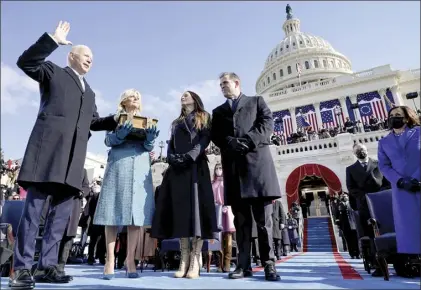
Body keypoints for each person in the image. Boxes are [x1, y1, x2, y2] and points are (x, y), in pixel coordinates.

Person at [9, 21, 118, 289]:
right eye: (85, 55)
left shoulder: (90, 92)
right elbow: (26, 62)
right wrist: (52, 40)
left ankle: (48, 267)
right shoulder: (52, 72)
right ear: (71, 56)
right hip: (47, 156)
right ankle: (21, 268)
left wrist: (116, 119)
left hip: (73, 163)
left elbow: (93, 122)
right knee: (33, 214)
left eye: (92, 57)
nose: (90, 59)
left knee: (59, 221)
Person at [211, 72, 281, 281]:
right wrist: (229, 142)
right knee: (241, 224)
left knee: (263, 223)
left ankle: (269, 264)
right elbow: (215, 135)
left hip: (258, 169)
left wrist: (248, 140)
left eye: (225, 83)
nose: (223, 86)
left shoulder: (256, 101)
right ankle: (243, 265)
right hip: (234, 172)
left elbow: (266, 124)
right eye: (220, 84)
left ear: (236, 83)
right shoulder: (218, 111)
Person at [151, 91, 218, 279]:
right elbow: (170, 143)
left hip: (196, 168)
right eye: (181, 95)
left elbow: (205, 139)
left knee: (196, 212)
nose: (183, 96)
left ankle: (196, 258)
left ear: (195, 99)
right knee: (181, 213)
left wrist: (191, 156)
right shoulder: (175, 123)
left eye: (186, 94)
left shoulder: (204, 116)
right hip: (178, 170)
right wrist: (172, 158)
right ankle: (184, 258)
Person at [93, 89, 159, 279]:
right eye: (132, 96)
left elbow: (148, 147)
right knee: (112, 212)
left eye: (138, 96)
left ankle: (130, 260)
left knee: (135, 215)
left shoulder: (147, 120)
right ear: (123, 101)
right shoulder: (115, 119)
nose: (136, 98)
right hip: (119, 164)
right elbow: (107, 140)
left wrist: (150, 139)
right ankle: (109, 259)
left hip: (139, 166)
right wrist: (119, 136)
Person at [377, 106, 420, 273]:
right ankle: (414, 263)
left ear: (407, 117)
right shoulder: (384, 142)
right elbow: (384, 166)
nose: (394, 117)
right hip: (402, 190)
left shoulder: (418, 132)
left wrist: (416, 178)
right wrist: (400, 181)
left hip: (419, 183)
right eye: (392, 115)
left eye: (398, 115)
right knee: (411, 227)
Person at [345, 142, 390, 276]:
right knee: (371, 235)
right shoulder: (351, 169)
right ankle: (377, 264)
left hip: (381, 204)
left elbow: (387, 183)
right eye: (358, 151)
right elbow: (351, 187)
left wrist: (378, 195)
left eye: (363, 149)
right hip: (365, 205)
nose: (361, 152)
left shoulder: (378, 164)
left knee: (385, 230)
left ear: (367, 150)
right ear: (354, 154)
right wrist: (364, 197)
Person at [211, 162, 235, 272]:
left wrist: (227, 204)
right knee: (218, 238)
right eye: (217, 168)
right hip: (217, 211)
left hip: (227, 210)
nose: (218, 170)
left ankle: (227, 263)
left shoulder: (227, 181)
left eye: (220, 168)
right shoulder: (212, 183)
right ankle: (219, 264)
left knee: (228, 237)